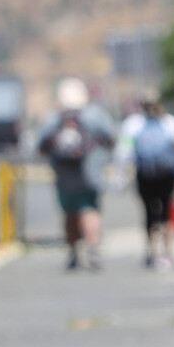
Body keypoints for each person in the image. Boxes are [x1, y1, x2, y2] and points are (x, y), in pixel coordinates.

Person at [36, 77, 116, 271]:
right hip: (90, 174)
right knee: (89, 210)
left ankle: (73, 253)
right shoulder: (95, 115)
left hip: (63, 176)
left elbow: (40, 146)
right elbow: (111, 138)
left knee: (69, 213)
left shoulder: (53, 118)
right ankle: (92, 249)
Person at [115, 91, 174, 270]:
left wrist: (121, 179)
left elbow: (123, 154)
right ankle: (167, 254)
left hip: (144, 176)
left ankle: (152, 251)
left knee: (149, 214)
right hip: (168, 176)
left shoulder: (132, 124)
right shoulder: (172, 124)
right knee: (167, 212)